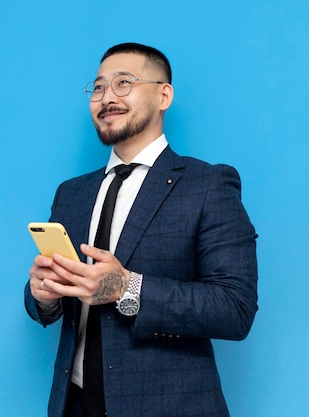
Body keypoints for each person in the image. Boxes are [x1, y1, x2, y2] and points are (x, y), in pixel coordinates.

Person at [24, 42, 258, 417]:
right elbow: (58, 301)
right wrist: (43, 296)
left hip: (169, 406)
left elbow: (235, 308)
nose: (106, 98)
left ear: (163, 95)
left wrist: (125, 287)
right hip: (75, 405)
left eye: (123, 83)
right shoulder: (71, 194)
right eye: (98, 87)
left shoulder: (208, 185)